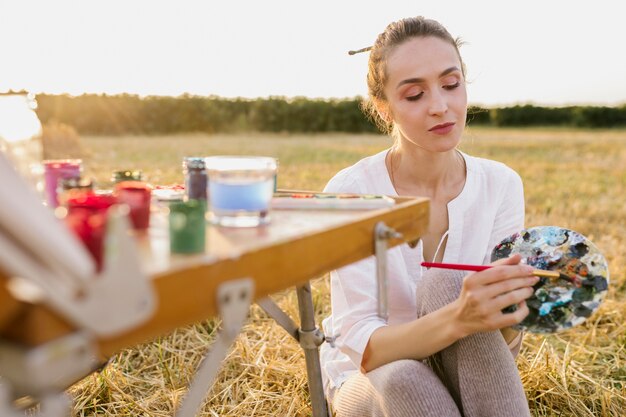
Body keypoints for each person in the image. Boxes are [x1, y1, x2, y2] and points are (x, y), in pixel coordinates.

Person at [320, 16, 536, 417]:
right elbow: (364, 348)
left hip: (468, 368)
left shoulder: (501, 184)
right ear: (384, 109)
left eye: (451, 85)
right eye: (415, 94)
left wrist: (520, 304)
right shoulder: (351, 191)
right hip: (373, 375)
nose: (440, 106)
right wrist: (461, 317)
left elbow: (500, 340)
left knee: (445, 282)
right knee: (407, 380)